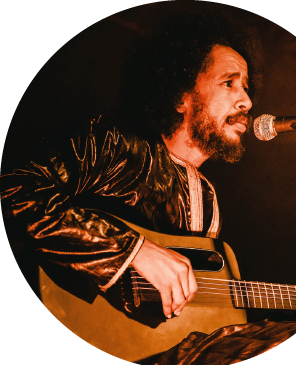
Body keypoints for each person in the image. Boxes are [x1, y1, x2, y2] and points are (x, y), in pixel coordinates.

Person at [0, 13, 256, 320]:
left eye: (246, 87)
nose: (247, 102)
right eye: (229, 83)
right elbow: (16, 188)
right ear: (181, 96)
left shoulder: (208, 197)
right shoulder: (111, 143)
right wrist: (132, 250)